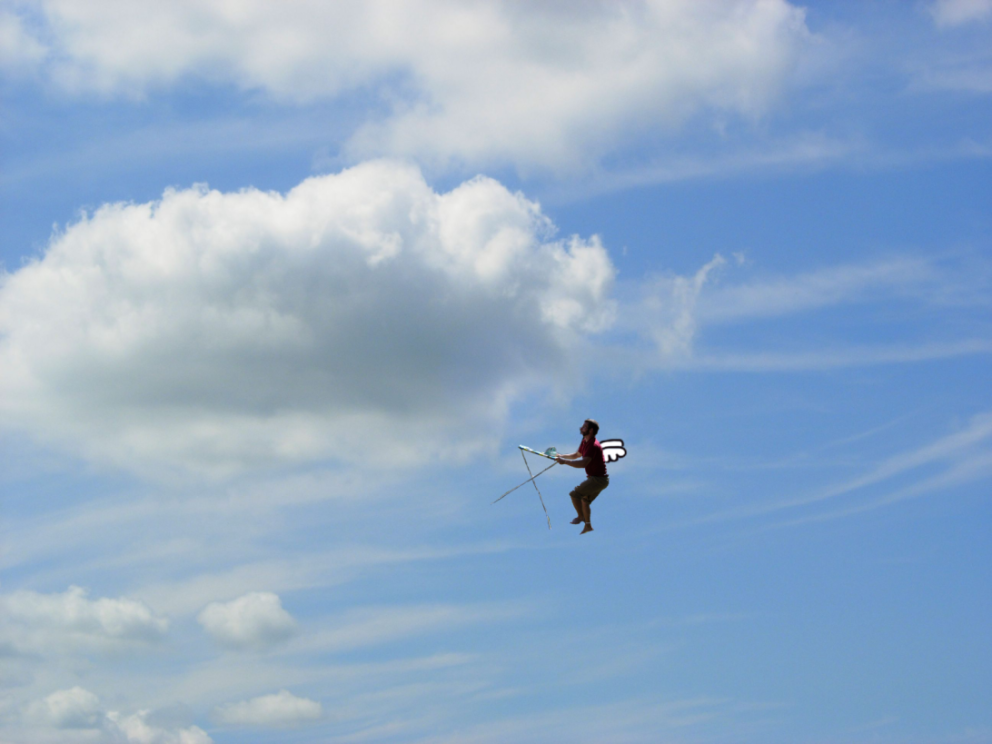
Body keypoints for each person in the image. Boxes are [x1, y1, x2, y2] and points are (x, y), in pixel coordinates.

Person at [556, 419, 608, 534]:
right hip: (599, 480)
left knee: (574, 495)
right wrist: (561, 456)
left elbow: (583, 463)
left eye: (584, 427)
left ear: (591, 430)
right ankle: (588, 526)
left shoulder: (593, 445)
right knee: (584, 500)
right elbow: (576, 455)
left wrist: (564, 462)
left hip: (598, 480)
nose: (581, 428)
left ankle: (581, 517)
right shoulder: (585, 441)